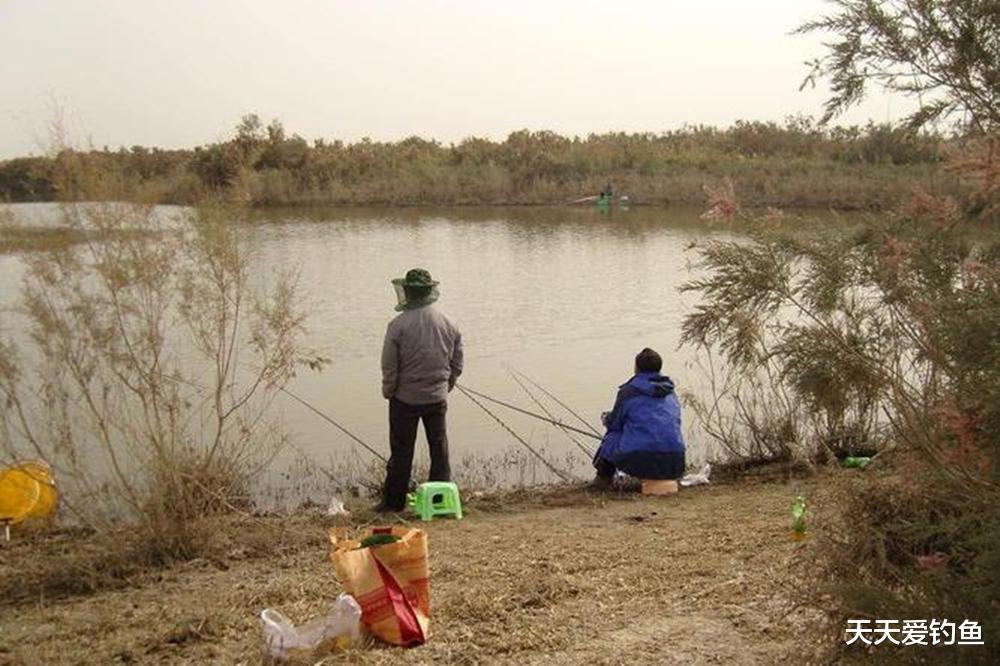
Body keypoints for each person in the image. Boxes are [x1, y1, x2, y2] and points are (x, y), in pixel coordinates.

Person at [377, 268, 463, 512]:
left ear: (408, 292)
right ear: (429, 292)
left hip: (404, 400)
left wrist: (389, 391)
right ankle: (440, 499)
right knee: (439, 448)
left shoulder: (397, 326)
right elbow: (457, 364)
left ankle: (393, 504)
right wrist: (446, 386)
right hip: (437, 397)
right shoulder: (449, 323)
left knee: (402, 451)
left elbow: (389, 366)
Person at [592, 348, 685, 487]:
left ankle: (603, 479)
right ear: (659, 368)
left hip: (639, 460)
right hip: (675, 462)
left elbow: (615, 424)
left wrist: (606, 419)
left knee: (613, 435)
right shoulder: (671, 393)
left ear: (636, 368)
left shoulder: (629, 392)